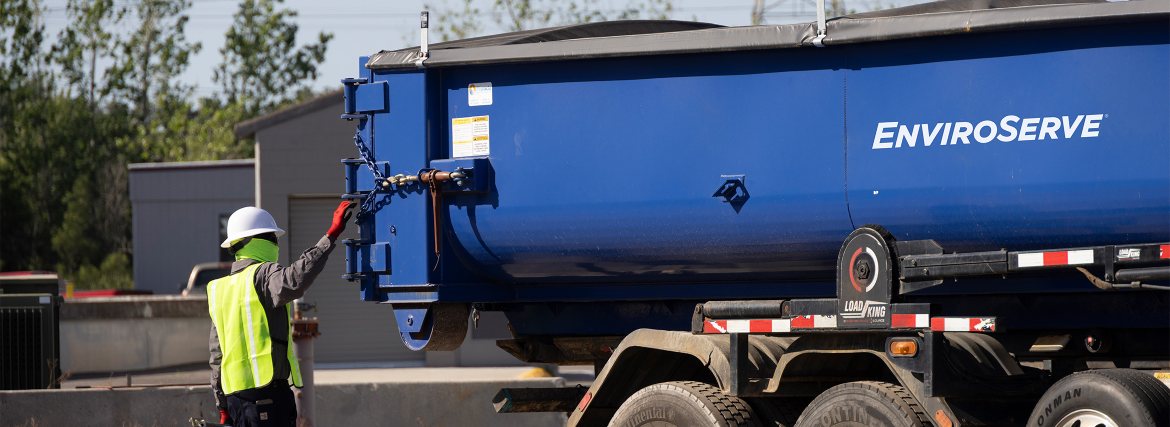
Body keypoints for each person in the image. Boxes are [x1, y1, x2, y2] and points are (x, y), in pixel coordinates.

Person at [208, 201, 354, 426]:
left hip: (236, 402)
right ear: (256, 241)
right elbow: (296, 278)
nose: (276, 245)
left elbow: (216, 355)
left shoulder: (219, 290)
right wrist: (331, 235)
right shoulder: (263, 275)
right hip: (268, 400)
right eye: (272, 239)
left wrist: (222, 406)